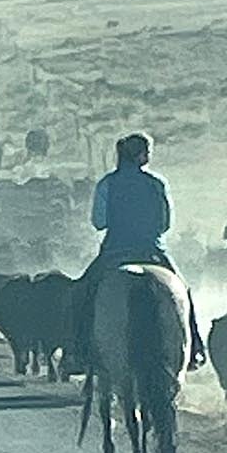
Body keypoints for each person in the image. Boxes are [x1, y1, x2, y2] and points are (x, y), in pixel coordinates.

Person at [75, 132, 205, 369]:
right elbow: (164, 224)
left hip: (115, 250)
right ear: (141, 156)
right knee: (183, 292)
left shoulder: (107, 183)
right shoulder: (157, 184)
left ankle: (76, 350)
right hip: (152, 251)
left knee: (82, 292)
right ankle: (194, 347)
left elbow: (99, 222)